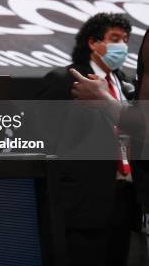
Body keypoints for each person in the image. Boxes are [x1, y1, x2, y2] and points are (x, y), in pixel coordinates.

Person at [38, 13, 138, 266]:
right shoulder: (65, 81)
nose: (122, 46)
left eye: (126, 40)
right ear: (93, 43)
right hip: (82, 204)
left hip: (124, 199)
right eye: (115, 38)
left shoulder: (124, 84)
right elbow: (45, 142)